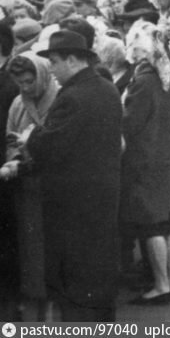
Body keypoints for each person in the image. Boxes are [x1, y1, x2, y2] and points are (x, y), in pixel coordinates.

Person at [25, 30, 123, 321]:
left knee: (74, 282)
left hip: (72, 204)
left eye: (54, 61)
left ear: (71, 59)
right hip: (103, 197)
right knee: (99, 277)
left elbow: (48, 146)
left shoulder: (72, 97)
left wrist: (32, 135)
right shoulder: (107, 88)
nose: (51, 70)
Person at [119, 21, 170, 305]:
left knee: (151, 225)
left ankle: (161, 286)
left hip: (144, 158)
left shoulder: (144, 79)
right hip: (167, 156)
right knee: (168, 223)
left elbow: (129, 123)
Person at [2, 53, 58, 320]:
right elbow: (10, 138)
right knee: (29, 249)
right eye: (20, 82)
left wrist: (30, 147)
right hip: (24, 186)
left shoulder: (59, 100)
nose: (25, 88)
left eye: (29, 81)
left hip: (50, 187)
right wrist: (14, 158)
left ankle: (47, 308)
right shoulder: (18, 103)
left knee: (47, 249)